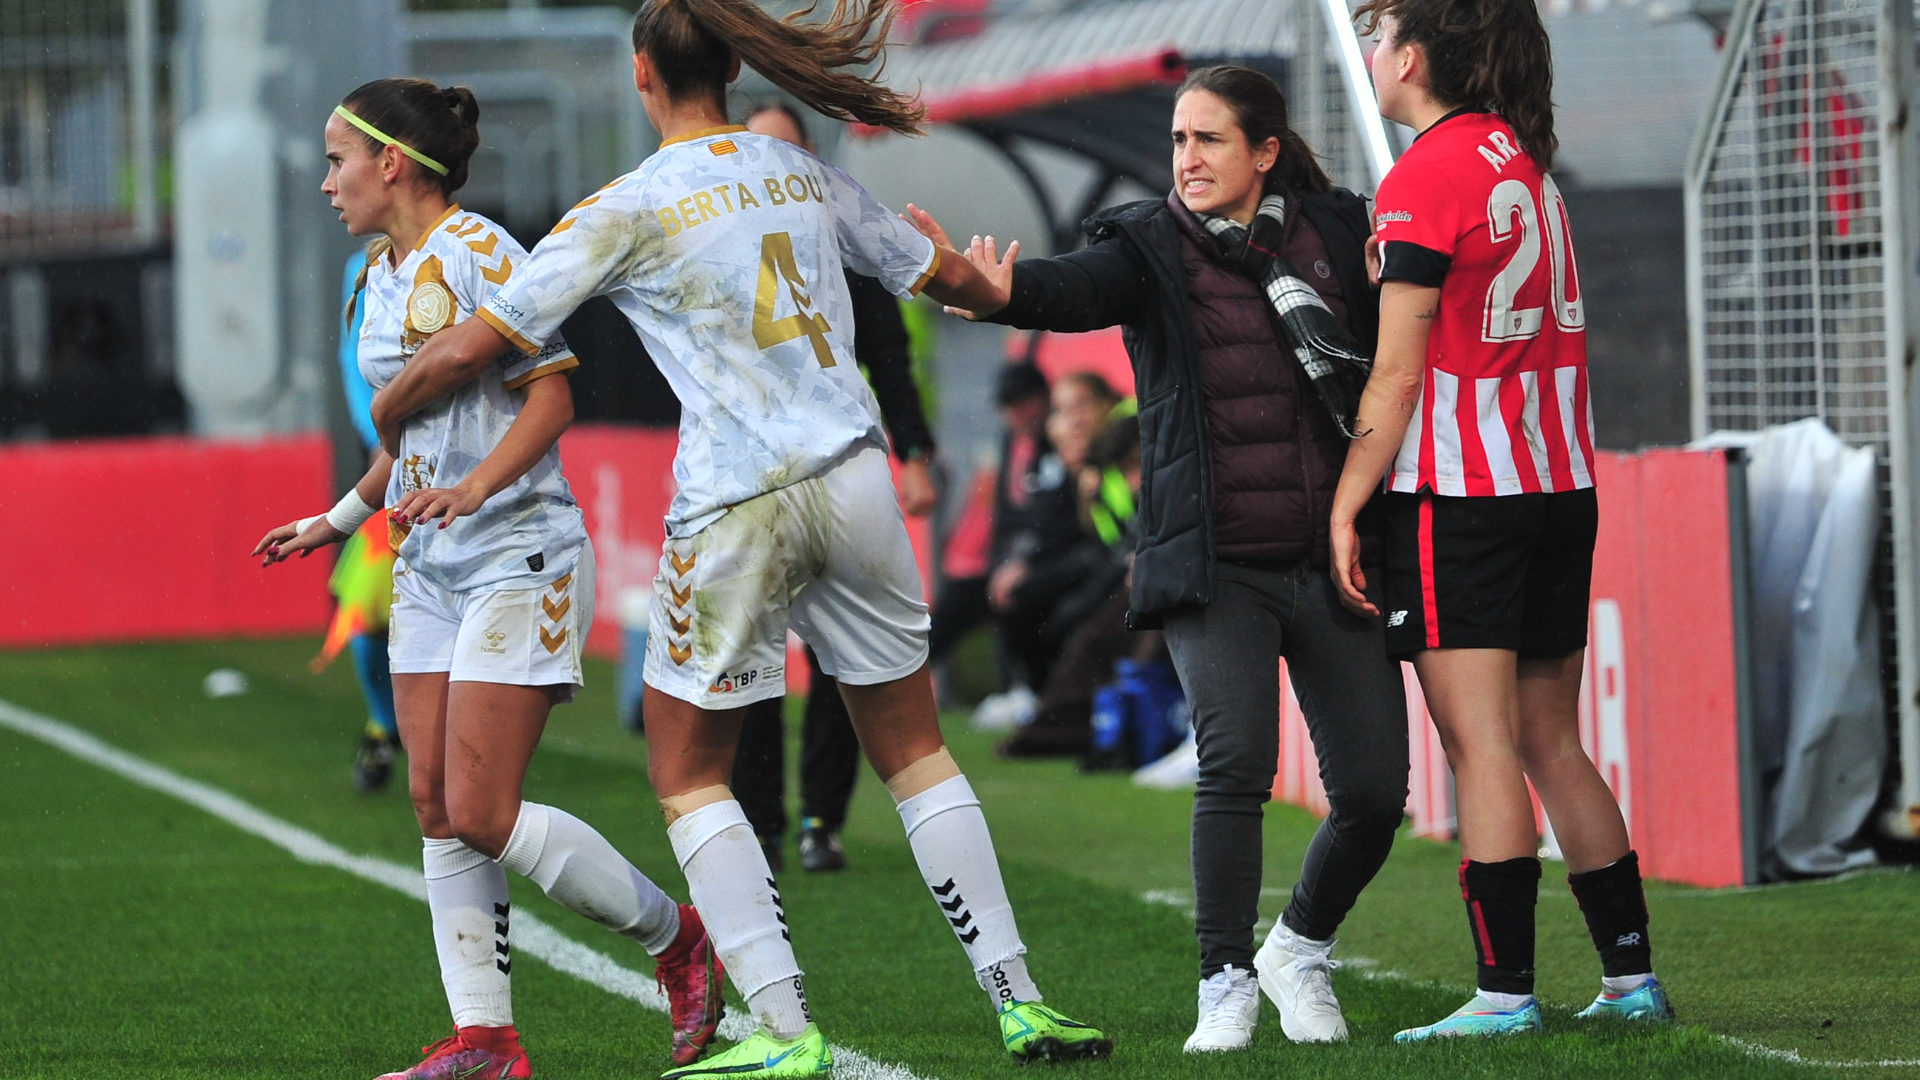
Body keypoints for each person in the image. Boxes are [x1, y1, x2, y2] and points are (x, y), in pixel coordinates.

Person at [373, 3, 1111, 1075]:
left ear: (641, 75)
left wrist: (396, 404)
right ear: (730, 65)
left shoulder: (625, 205)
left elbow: (481, 346)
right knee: (914, 749)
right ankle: (1020, 1000)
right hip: (856, 478)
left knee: (687, 770)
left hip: (737, 501)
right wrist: (988, 286)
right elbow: (945, 277)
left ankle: (781, 1029)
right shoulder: (799, 171)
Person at [912, 63, 1411, 1052]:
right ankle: (1224, 980)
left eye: (1210, 140)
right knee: (1235, 766)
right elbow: (1064, 289)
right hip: (1213, 562)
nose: (1186, 159)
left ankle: (1298, 947)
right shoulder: (1148, 241)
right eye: (1179, 140)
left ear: (1264, 153)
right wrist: (981, 287)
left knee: (1372, 794)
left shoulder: (1342, 231)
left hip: (1335, 556)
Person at [252, 78, 724, 1079]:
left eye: (339, 159)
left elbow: (551, 402)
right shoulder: (366, 278)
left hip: (520, 552)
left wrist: (473, 488)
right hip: (427, 566)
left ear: (393, 162)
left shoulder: (482, 254)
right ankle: (486, 1043)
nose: (328, 181)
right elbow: (403, 441)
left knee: (481, 808)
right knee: (432, 803)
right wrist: (335, 522)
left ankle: (677, 938)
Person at [1332, 0, 1672, 1040]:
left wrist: (1351, 501)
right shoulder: (1522, 160)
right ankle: (1630, 980)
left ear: (1419, 57)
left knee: (1480, 745)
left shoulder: (1422, 178)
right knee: (1549, 738)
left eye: (1380, 37)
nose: (1370, 54)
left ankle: (1504, 994)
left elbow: (1396, 372)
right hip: (1559, 485)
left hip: (1465, 496)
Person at [729, 98, 941, 876]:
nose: (771, 168)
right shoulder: (715, 242)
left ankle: (823, 816)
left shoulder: (840, 235)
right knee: (749, 661)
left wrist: (915, 450)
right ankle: (760, 825)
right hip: (745, 480)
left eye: (786, 152)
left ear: (812, 158)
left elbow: (889, 354)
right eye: (754, 151)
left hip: (836, 469)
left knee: (841, 658)